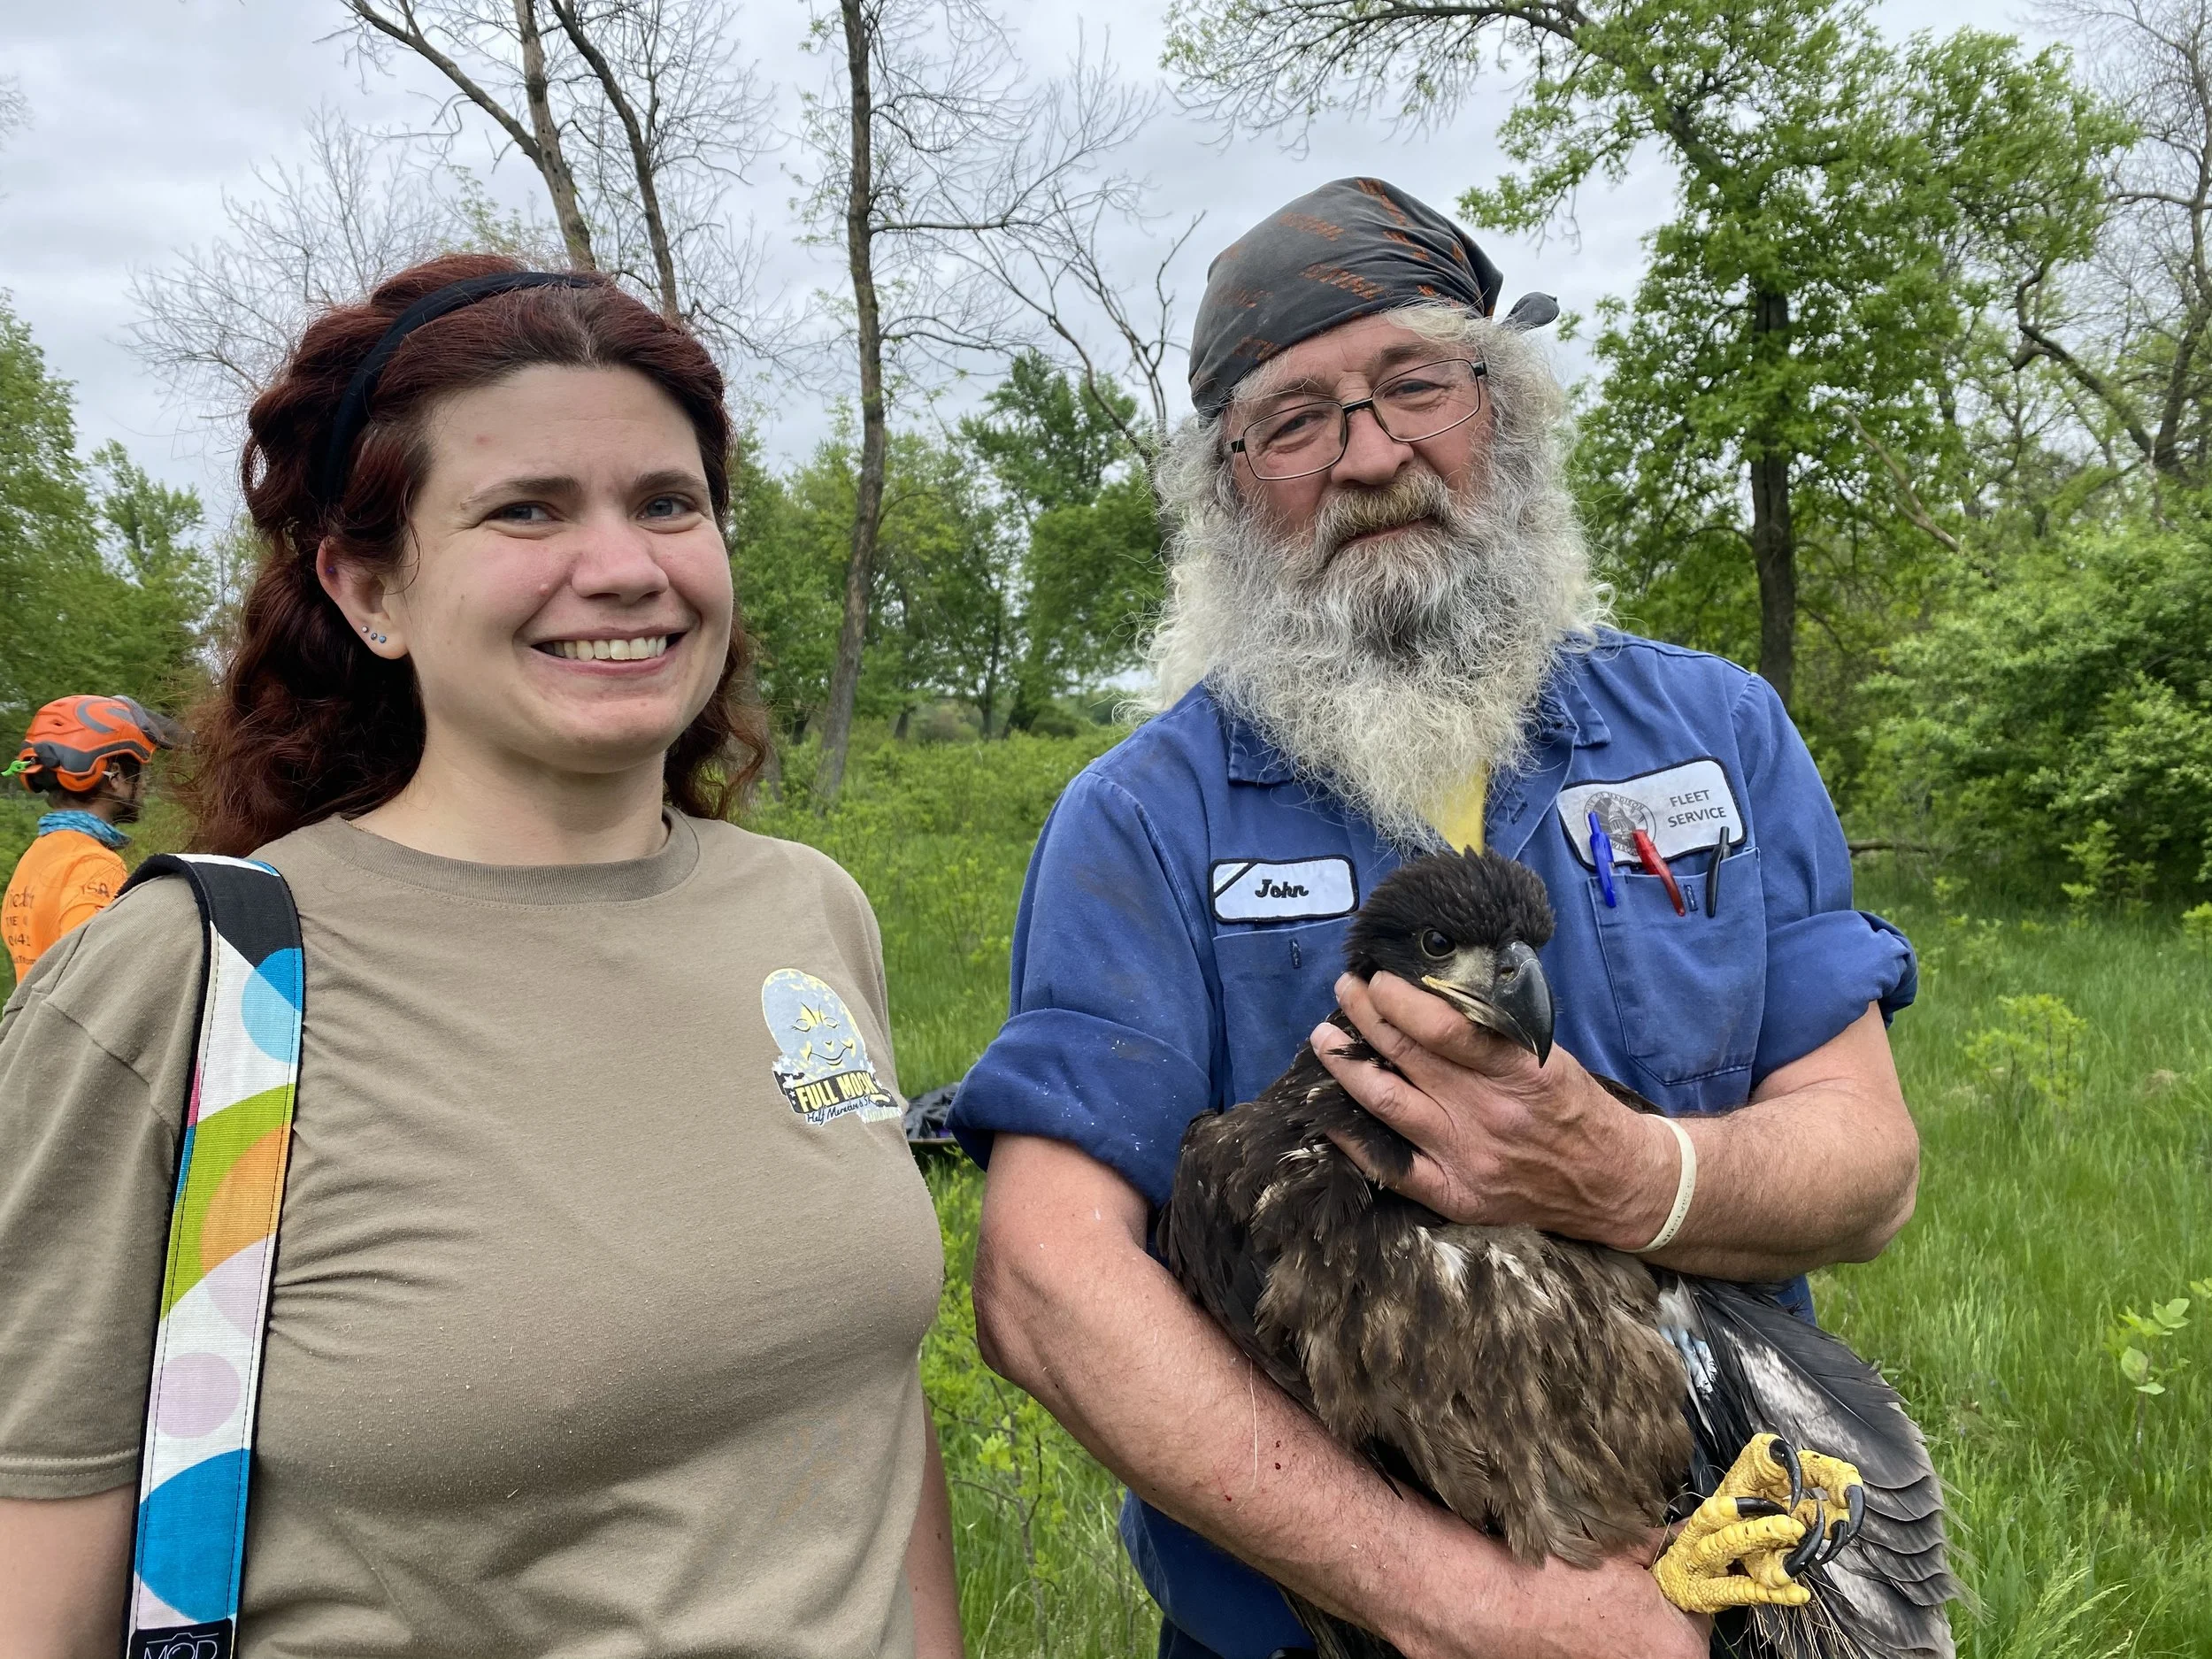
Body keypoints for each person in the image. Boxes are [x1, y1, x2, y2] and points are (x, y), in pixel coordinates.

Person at [951, 179, 1922, 1659]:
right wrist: (1469, 1610)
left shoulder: (1715, 735)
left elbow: (1866, 1169)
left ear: (1505, 411)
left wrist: (1622, 1174)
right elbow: (1044, 1279)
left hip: (1728, 1598)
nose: (1369, 454)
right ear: (1227, 488)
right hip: (1310, 1629)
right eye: (1293, 423)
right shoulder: (1144, 819)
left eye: (1416, 383)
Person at [0, 255, 964, 1659]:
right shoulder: (192, 981)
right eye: (528, 508)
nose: (625, 565)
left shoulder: (809, 915)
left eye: (668, 502)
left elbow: (870, 1438)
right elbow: (39, 1596)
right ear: (366, 586)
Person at [2, 695, 183, 981]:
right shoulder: (95, 865)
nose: (145, 784)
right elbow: (97, 983)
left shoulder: (36, 857)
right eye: (140, 770)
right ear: (115, 776)